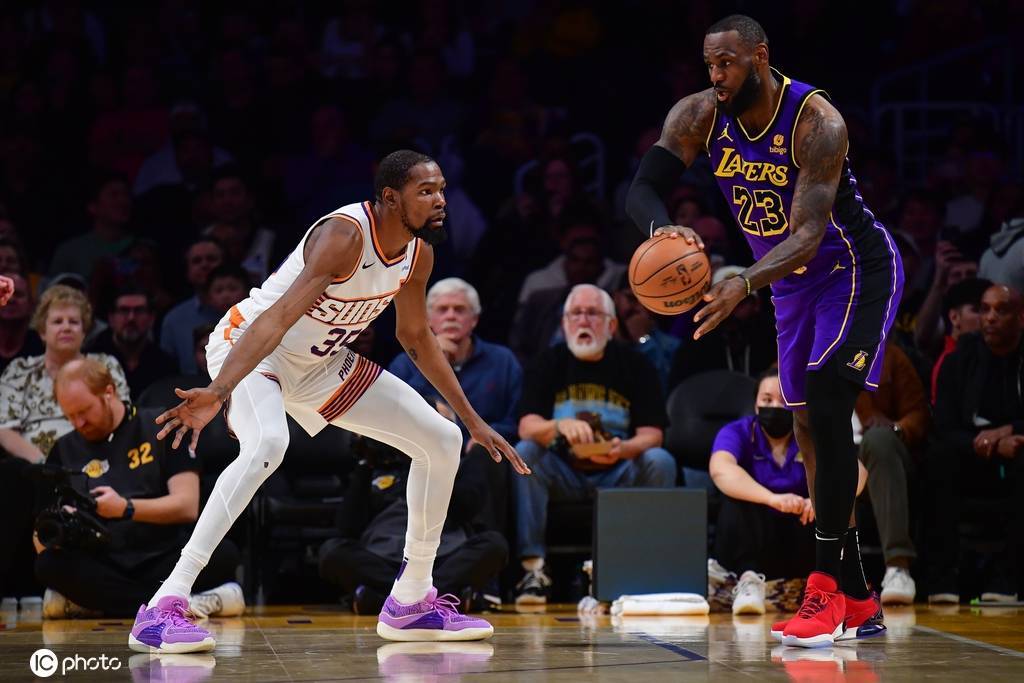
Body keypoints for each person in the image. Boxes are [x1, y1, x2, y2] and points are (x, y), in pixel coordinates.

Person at [127, 150, 530, 654]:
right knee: (267, 445)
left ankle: (411, 601)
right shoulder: (345, 235)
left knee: (443, 439)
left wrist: (473, 421)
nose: (440, 201)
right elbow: (276, 319)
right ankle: (164, 604)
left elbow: (415, 337)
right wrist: (221, 390)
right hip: (254, 347)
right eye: (426, 191)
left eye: (442, 189)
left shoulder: (419, 254)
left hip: (320, 363)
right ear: (390, 198)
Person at [626, 15, 902, 646]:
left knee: (827, 403)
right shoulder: (699, 114)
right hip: (788, 283)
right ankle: (860, 599)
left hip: (851, 268)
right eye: (709, 65)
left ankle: (823, 591)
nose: (716, 76)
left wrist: (743, 283)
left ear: (760, 56)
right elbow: (643, 188)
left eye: (726, 63)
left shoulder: (816, 120)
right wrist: (663, 230)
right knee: (806, 425)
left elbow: (807, 234)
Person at [36, 359, 242, 619]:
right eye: (70, 416)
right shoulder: (63, 449)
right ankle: (187, 603)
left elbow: (187, 505)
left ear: (109, 392)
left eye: (84, 411)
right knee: (47, 564)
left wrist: (126, 508)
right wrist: (63, 525)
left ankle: (92, 605)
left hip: (161, 552)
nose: (79, 423)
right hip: (104, 559)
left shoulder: (162, 425)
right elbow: (41, 536)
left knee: (224, 553)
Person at [514, 284, 676, 605]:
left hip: (618, 471)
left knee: (660, 460)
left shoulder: (636, 364)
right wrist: (559, 425)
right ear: (564, 324)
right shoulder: (548, 362)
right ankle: (533, 569)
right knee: (525, 453)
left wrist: (624, 449)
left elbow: (652, 434)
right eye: (575, 314)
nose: (583, 321)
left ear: (612, 325)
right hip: (564, 472)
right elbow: (526, 427)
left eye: (592, 313)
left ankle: (648, 563)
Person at [927, 284, 1024, 604]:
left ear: (1020, 318)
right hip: (971, 453)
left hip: (1016, 452)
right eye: (985, 309)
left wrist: (1010, 431)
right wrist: (987, 444)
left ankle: (1009, 579)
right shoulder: (959, 360)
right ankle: (944, 576)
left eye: (1001, 310)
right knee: (939, 457)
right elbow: (944, 426)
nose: (991, 317)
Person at [709, 368, 816, 615]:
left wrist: (821, 501)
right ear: (756, 405)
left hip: (801, 532)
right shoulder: (737, 431)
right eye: (767, 400)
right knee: (734, 498)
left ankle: (823, 586)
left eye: (783, 400)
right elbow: (720, 469)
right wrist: (772, 499)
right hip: (753, 537)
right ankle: (749, 582)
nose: (775, 407)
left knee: (839, 504)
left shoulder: (812, 433)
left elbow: (857, 472)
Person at [0, 285, 129, 462]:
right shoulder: (19, 370)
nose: (66, 327)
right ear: (42, 332)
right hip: (34, 468)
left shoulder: (105, 365)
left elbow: (122, 419)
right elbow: (4, 430)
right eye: (58, 321)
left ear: (84, 332)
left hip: (99, 462)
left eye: (74, 322)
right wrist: (45, 465)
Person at [853, 341, 929, 605]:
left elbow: (919, 415)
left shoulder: (889, 356)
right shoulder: (806, 354)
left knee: (878, 440)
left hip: (880, 462)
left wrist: (895, 429)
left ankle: (898, 568)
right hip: (832, 460)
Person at [91, 289, 177, 400]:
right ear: (111, 318)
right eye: (124, 310)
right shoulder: (91, 361)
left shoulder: (166, 366)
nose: (131, 318)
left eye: (139, 311)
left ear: (151, 318)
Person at [160, 238, 225, 374]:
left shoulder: (248, 310)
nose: (204, 265)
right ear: (188, 271)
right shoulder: (174, 319)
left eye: (211, 259)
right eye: (197, 261)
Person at [929, 278, 990, 403]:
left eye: (987, 310)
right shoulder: (948, 365)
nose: (988, 318)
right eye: (977, 310)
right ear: (954, 317)